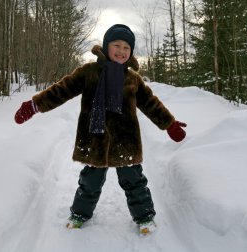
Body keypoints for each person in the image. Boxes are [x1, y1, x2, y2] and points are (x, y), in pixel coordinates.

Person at [14, 24, 187, 235]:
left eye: (126, 47)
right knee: (90, 182)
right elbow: (62, 89)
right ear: (106, 47)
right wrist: (34, 105)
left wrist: (169, 123)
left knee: (134, 181)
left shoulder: (133, 79)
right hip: (95, 139)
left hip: (125, 140)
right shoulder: (89, 72)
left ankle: (145, 217)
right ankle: (79, 214)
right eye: (117, 45)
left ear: (131, 52)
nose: (121, 51)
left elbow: (151, 103)